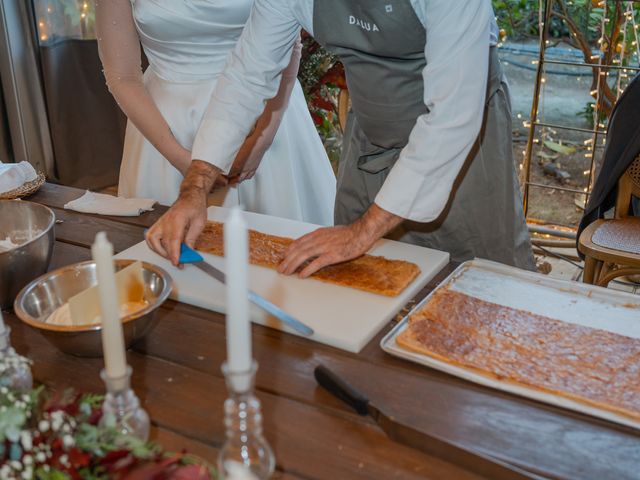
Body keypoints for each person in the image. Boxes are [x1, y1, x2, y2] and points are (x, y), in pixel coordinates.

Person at [146, 0, 535, 274]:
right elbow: (247, 76)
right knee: (362, 280)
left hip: (464, 143)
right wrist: (195, 190)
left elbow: (452, 115)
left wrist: (361, 232)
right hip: (372, 134)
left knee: (476, 284)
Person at [95, 0, 336, 225]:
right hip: (164, 130)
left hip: (264, 115)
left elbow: (287, 40)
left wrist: (261, 138)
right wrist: (179, 157)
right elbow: (123, 76)